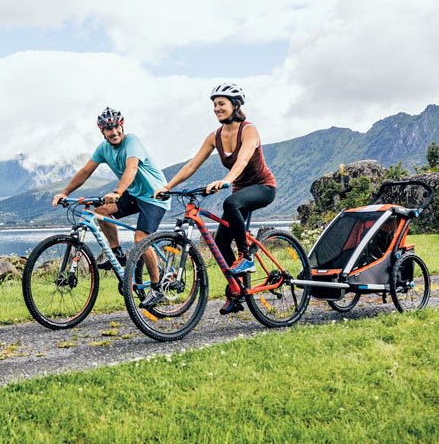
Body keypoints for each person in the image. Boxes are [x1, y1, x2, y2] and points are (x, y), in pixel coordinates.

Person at [154, 83, 277, 314]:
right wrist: (167, 186)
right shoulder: (215, 136)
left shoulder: (249, 130)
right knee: (220, 244)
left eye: (221, 104)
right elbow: (192, 165)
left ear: (235, 105)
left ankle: (246, 256)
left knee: (231, 203)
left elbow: (242, 159)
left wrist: (227, 180)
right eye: (214, 105)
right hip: (239, 190)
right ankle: (237, 291)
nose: (216, 108)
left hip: (263, 187)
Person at [53, 107, 170, 307]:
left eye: (116, 127)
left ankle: (157, 288)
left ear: (121, 126)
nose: (114, 132)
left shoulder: (132, 141)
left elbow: (131, 168)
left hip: (154, 196)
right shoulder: (103, 148)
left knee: (141, 238)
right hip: (133, 195)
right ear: (102, 131)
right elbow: (85, 171)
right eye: (109, 129)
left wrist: (117, 192)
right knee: (100, 211)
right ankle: (117, 253)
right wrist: (65, 192)